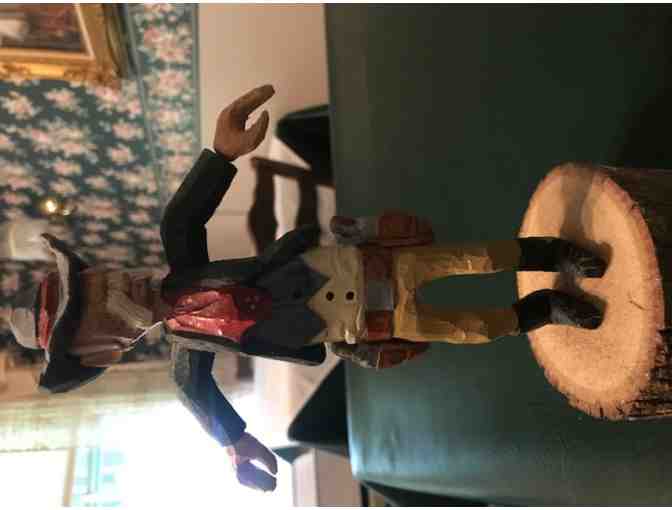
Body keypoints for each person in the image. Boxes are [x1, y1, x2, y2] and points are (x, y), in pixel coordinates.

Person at [3, 85, 605, 492]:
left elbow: (185, 214)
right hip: (360, 324)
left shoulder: (179, 249)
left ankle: (554, 253)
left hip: (358, 268)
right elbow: (202, 402)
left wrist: (222, 150)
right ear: (105, 351)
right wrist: (236, 444)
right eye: (99, 309)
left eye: (96, 282)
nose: (114, 288)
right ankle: (544, 307)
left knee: (477, 256)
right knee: (472, 329)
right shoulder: (189, 357)